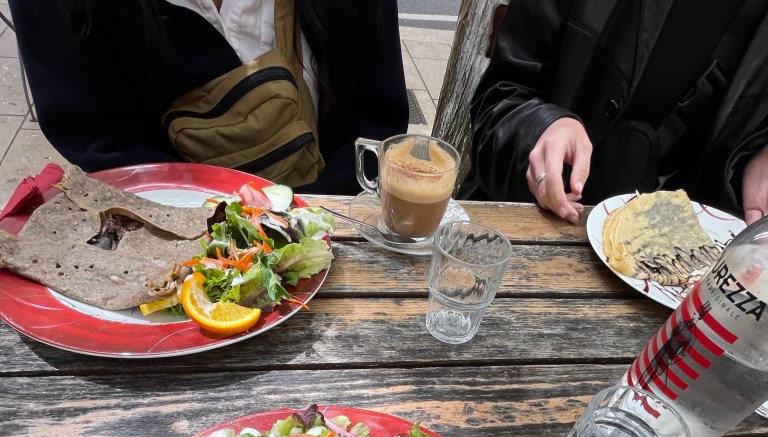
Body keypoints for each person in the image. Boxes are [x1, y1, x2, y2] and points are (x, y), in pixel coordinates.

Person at [8, 0, 408, 195]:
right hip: (167, 235)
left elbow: (375, 118)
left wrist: (314, 224)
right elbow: (100, 137)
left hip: (335, 227)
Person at [464, 0, 768, 225]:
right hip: (530, 231)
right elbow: (497, 104)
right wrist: (543, 126)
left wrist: (753, 156)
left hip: (690, 274)